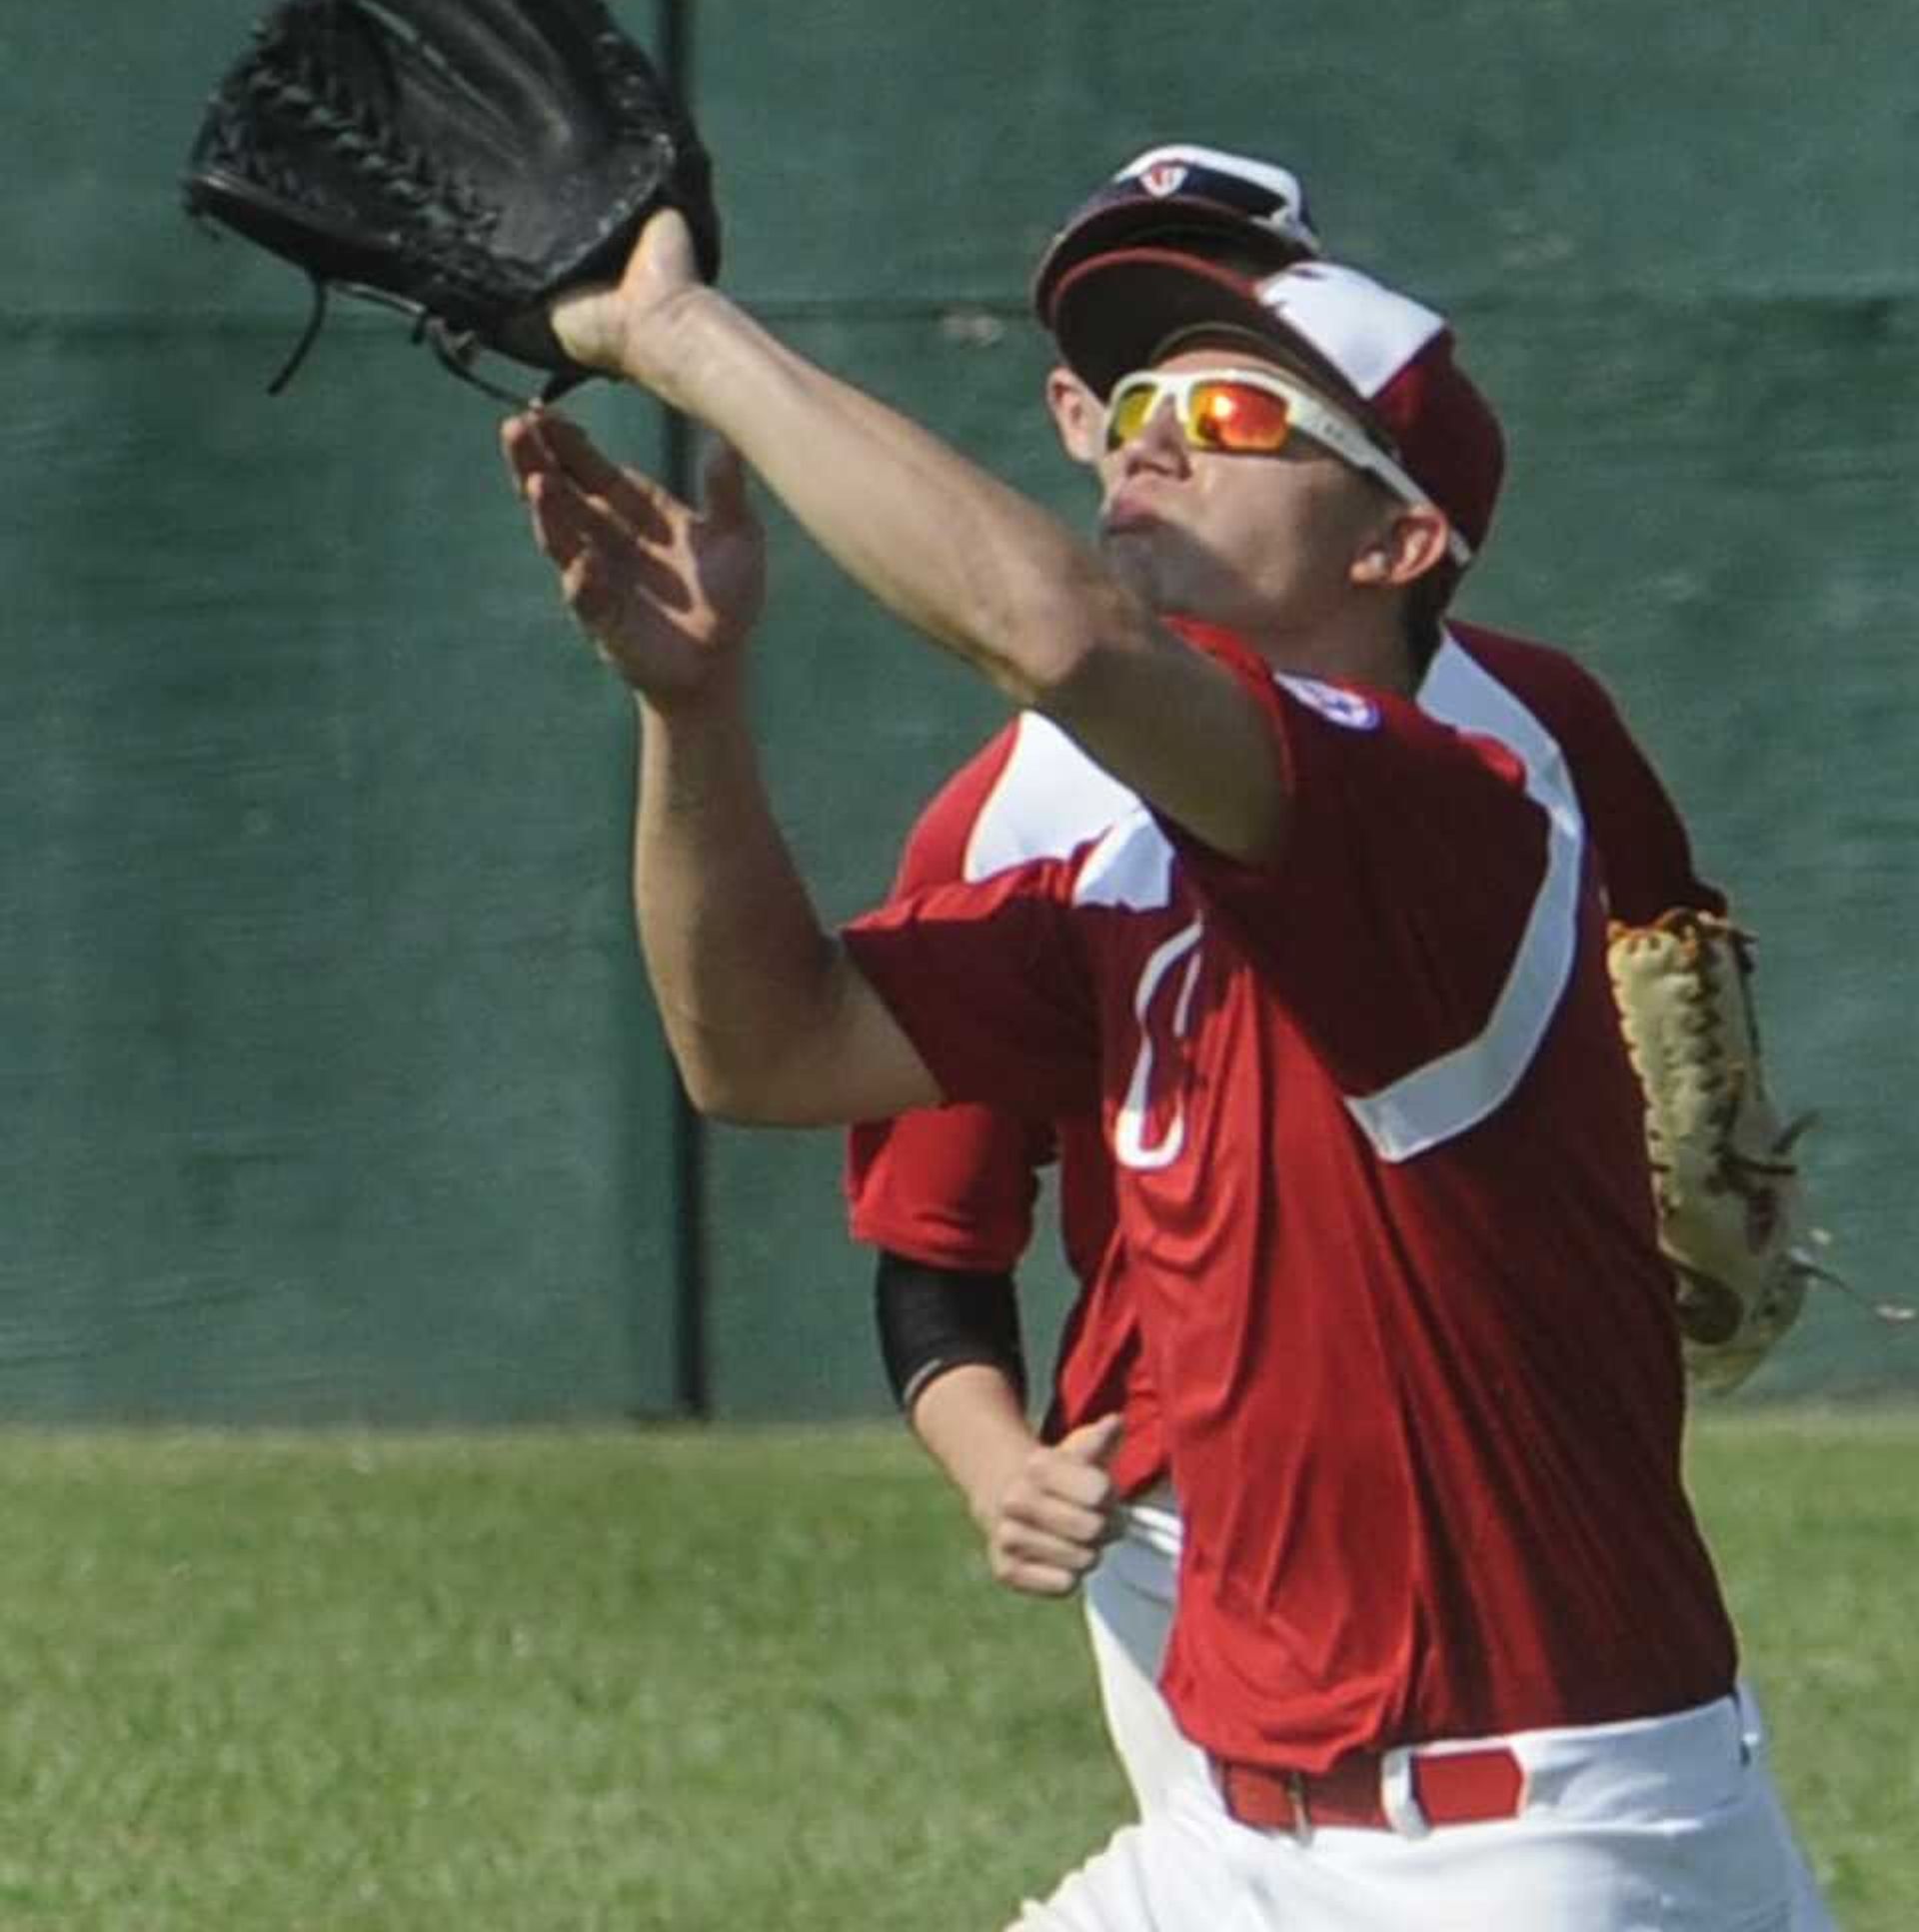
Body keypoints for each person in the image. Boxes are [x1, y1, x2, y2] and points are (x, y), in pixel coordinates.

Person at [502, 204, 1818, 1928]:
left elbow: (1059, 642)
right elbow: (760, 1045)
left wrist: (686, 343)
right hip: (1236, 1839)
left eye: (1237, 420)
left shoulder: (1445, 823)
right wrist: (694, 707)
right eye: (1136, 418)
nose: (1154, 448)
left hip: (1536, 1853)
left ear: (1399, 543)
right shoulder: (1128, 888)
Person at [846, 146, 1737, 1826]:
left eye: (1244, 367)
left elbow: (1667, 1056)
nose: (1172, 418)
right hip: (1183, 1488)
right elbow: (930, 1240)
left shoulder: (1536, 729)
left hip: (1494, 1459)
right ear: (1069, 423)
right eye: (1132, 389)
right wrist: (998, 1468)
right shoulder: (1016, 804)